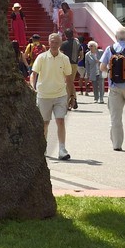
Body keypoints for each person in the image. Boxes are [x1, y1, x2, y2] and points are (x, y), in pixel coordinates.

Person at [30, 31, 75, 161]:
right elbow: (33, 74)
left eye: (57, 42)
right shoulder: (41, 57)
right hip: (43, 95)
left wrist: (72, 95)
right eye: (52, 42)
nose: (54, 44)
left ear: (60, 43)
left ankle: (62, 149)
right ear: (48, 43)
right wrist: (33, 87)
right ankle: (43, 147)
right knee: (44, 123)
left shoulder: (65, 59)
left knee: (60, 120)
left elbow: (69, 78)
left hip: (60, 94)